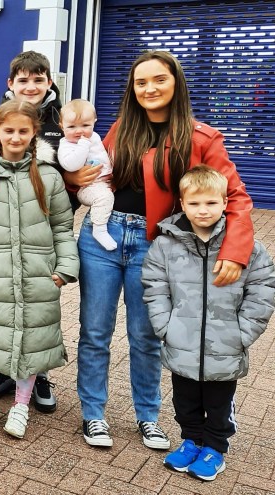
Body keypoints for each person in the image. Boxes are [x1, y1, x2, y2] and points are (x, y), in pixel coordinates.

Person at [77, 50, 254, 450]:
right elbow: (89, 176)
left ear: (176, 83)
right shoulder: (121, 128)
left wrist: (235, 251)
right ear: (132, 89)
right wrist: (73, 175)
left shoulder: (201, 137)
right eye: (141, 82)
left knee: (147, 336)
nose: (150, 88)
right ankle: (93, 414)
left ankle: (148, 416)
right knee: (95, 333)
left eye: (159, 79)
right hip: (101, 236)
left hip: (155, 245)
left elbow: (237, 199)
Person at [0, 100, 78, 439]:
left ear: (34, 132)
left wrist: (64, 268)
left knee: (32, 344)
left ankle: (21, 406)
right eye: (9, 130)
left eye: (23, 130)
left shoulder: (49, 177)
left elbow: (63, 227)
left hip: (39, 276)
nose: (16, 137)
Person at [141, 165, 275, 481]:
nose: (203, 210)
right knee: (185, 399)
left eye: (211, 203)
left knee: (218, 402)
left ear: (225, 202)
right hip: (180, 341)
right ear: (182, 203)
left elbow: (262, 289)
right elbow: (154, 284)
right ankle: (191, 441)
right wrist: (165, 325)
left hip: (226, 344)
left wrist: (242, 332)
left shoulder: (245, 245)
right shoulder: (166, 243)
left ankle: (215, 447)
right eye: (195, 203)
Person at [0, 50, 75, 414]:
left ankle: (40, 375)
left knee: (38, 313)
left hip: (43, 230)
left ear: (49, 81)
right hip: (3, 233)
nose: (31, 86)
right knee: (3, 310)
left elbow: (80, 161)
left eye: (38, 79)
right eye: (23, 80)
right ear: (11, 83)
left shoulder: (64, 118)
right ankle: (4, 371)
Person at [57, 99, 116, 251]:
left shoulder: (94, 137)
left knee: (109, 194)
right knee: (104, 198)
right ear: (61, 126)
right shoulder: (67, 144)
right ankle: (99, 229)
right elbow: (71, 165)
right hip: (88, 187)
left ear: (94, 123)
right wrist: (83, 145)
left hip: (104, 181)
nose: (79, 131)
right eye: (71, 126)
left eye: (85, 125)